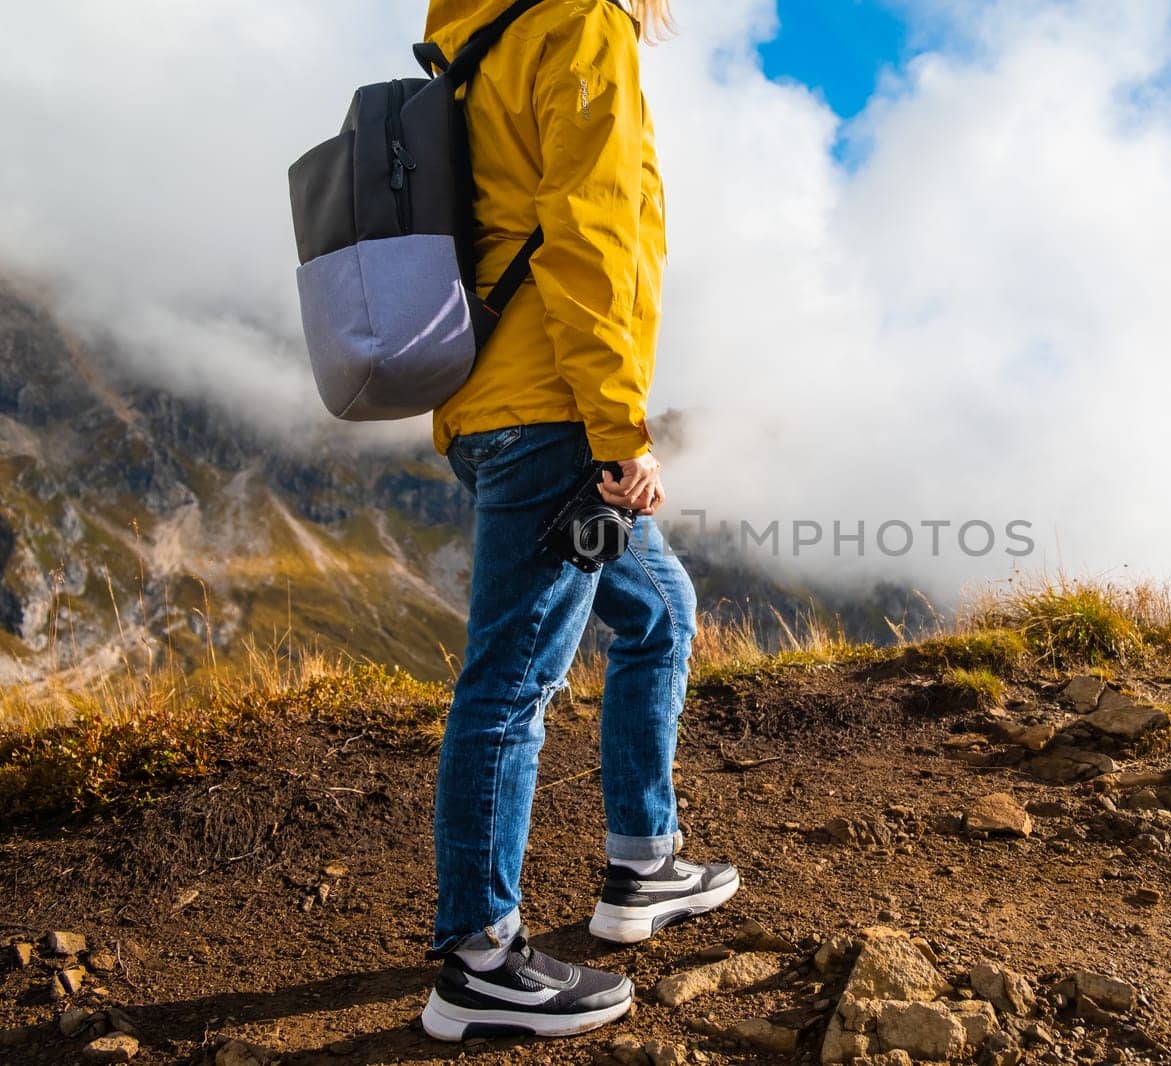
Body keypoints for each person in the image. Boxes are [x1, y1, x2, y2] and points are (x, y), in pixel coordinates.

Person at [417, 0, 738, 1042]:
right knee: (510, 682)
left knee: (658, 612)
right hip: (551, 411)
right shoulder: (576, 23)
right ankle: (476, 962)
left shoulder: (477, 36)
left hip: (490, 401)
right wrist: (618, 429)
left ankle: (643, 864)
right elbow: (587, 236)